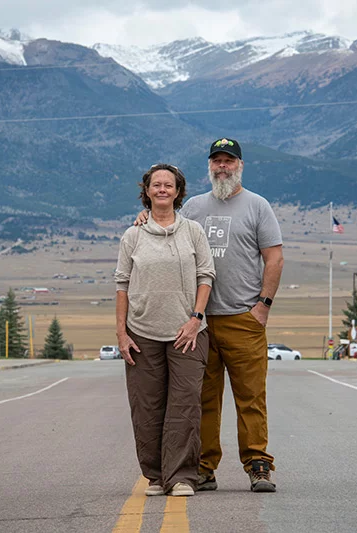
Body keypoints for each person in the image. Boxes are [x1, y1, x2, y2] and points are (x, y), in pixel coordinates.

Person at [136, 138, 284, 493]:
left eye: (228, 161)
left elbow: (274, 258)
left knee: (251, 396)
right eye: (216, 161)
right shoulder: (195, 207)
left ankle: (258, 464)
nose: (222, 166)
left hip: (242, 318)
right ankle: (203, 466)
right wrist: (142, 216)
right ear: (209, 167)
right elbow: (164, 225)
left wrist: (262, 305)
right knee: (202, 398)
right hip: (198, 322)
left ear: (240, 166)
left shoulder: (257, 206)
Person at [115, 163, 216, 498]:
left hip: (187, 332)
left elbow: (206, 276)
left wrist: (195, 318)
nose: (162, 189)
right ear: (146, 191)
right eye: (155, 184)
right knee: (146, 407)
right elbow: (122, 285)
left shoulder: (193, 232)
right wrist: (121, 333)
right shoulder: (132, 235)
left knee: (185, 405)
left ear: (178, 191)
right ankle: (156, 476)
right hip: (142, 332)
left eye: (168, 185)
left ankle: (183, 476)